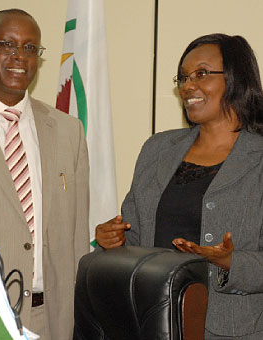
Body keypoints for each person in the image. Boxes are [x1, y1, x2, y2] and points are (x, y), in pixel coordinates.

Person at [96, 33, 263, 339]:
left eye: (201, 73)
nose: (188, 86)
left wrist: (229, 262)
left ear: (235, 78)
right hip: (150, 322)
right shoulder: (157, 149)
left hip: (230, 330)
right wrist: (112, 241)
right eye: (183, 77)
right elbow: (135, 235)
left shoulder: (259, 158)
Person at [0, 8, 89, 339]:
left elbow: (77, 237)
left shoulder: (68, 131)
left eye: (30, 47)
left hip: (52, 318)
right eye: (7, 44)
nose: (20, 56)